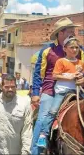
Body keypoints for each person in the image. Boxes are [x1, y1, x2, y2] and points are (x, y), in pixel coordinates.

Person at [31, 17, 84, 155]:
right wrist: (36, 93)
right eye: (70, 31)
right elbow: (38, 73)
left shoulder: (80, 50)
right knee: (43, 118)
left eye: (74, 31)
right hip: (51, 90)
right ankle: (36, 150)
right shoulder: (47, 50)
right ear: (61, 33)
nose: (73, 33)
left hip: (77, 89)